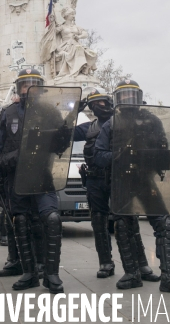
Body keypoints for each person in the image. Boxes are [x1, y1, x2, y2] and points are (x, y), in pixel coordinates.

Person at [94, 79, 170, 294]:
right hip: (121, 182)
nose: (129, 99)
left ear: (139, 98)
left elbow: (165, 148)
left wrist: (157, 158)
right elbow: (98, 155)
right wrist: (118, 157)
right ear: (118, 99)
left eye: (132, 95)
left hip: (146, 180)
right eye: (124, 95)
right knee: (122, 226)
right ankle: (132, 273)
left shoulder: (152, 121)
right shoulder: (112, 124)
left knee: (165, 225)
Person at [0, 68, 64, 294]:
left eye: (33, 84)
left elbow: (60, 146)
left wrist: (65, 131)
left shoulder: (50, 112)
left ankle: (51, 275)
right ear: (19, 88)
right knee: (20, 222)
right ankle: (29, 273)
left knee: (51, 218)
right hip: (15, 177)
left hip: (42, 176)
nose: (29, 88)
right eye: (25, 85)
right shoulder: (9, 112)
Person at [73, 87, 116, 278]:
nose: (100, 106)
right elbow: (64, 132)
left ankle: (138, 265)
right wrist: (74, 110)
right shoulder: (89, 127)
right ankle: (105, 262)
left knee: (126, 221)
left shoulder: (119, 123)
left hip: (117, 177)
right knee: (98, 222)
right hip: (95, 179)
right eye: (94, 104)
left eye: (102, 102)